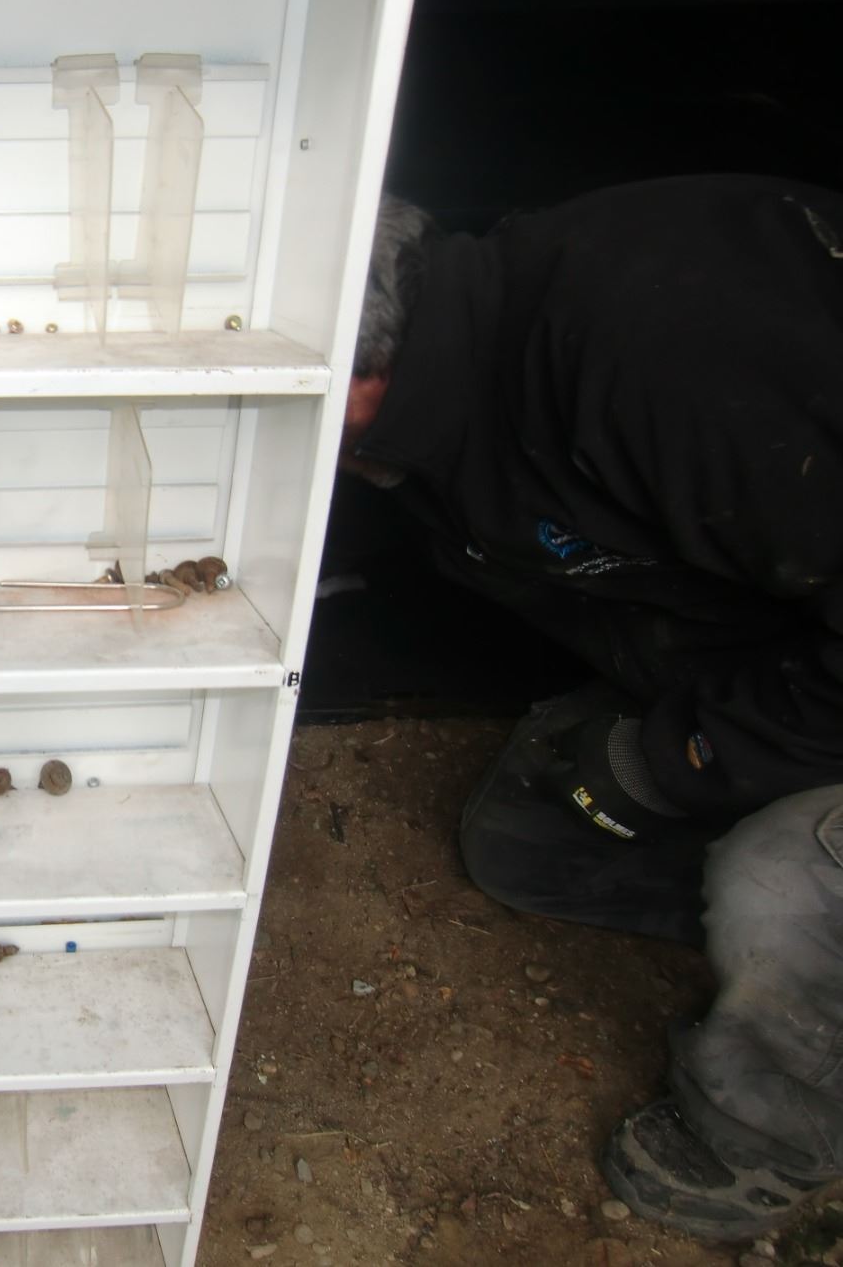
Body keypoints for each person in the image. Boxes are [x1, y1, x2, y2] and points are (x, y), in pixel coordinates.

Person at [345, 174, 843, 1239]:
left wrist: (679, 760)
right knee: (533, 837)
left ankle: (764, 1137)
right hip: (806, 653)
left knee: (782, 880)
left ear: (352, 375)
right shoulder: (472, 340)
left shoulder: (665, 362)